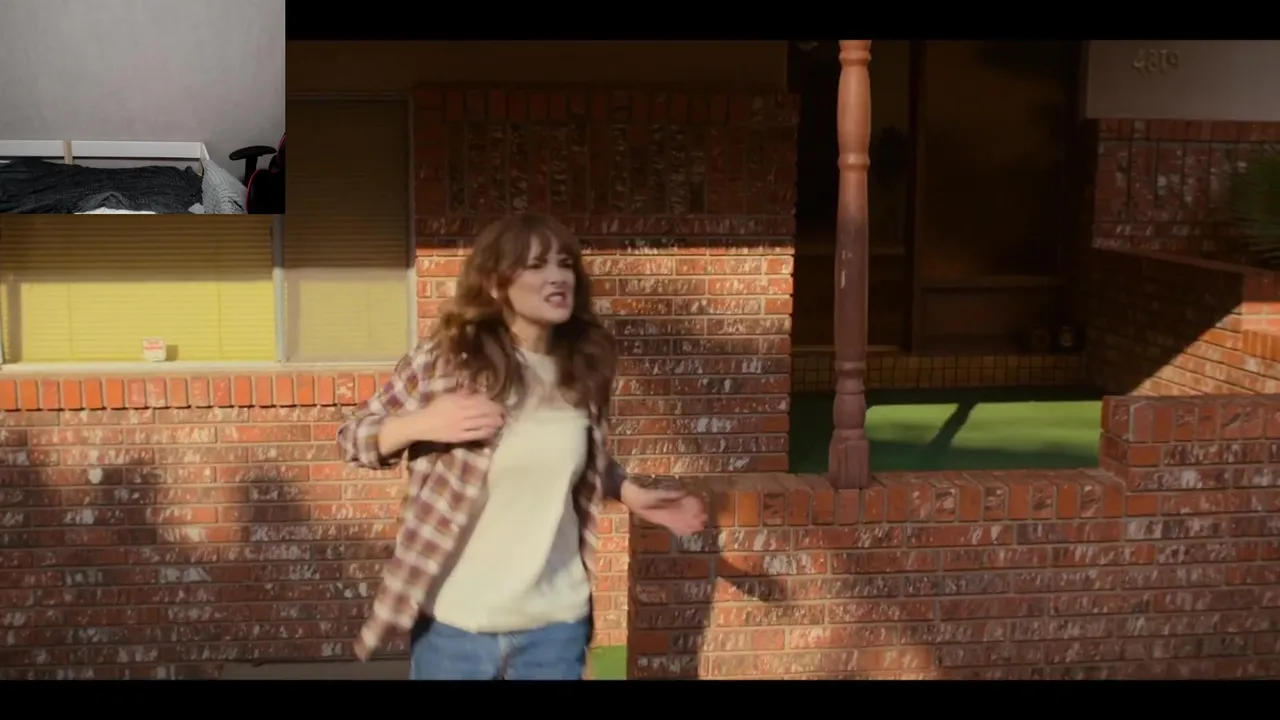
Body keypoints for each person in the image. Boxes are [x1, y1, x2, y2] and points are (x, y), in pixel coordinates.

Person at [337, 213, 707, 680]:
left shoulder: (581, 371)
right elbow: (353, 438)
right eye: (536, 265)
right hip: (455, 626)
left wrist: (630, 491)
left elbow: (574, 458)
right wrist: (421, 423)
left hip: (555, 626)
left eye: (564, 264)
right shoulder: (446, 362)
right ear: (496, 284)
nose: (557, 277)